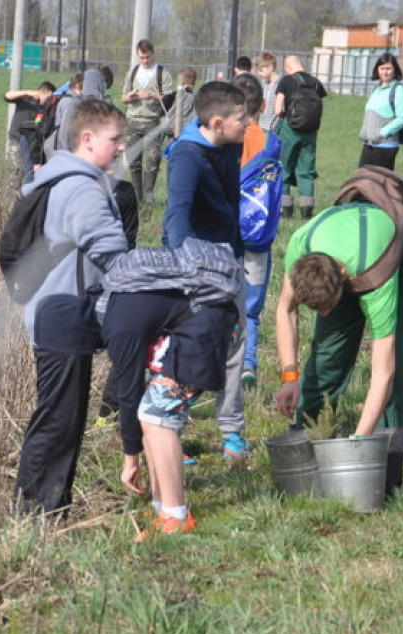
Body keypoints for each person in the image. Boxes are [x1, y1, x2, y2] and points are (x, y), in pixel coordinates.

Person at [104, 82, 250, 538]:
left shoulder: (117, 315)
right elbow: (177, 214)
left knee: (156, 414)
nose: (251, 125)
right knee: (155, 413)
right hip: (205, 295)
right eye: (245, 118)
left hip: (208, 304)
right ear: (218, 122)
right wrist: (187, 266)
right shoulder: (187, 155)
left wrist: (128, 455)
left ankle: (175, 514)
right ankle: (165, 507)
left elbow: (125, 389)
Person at [274, 166, 403, 496]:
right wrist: (290, 377)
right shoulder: (301, 247)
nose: (325, 314)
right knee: (327, 355)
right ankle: (306, 445)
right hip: (346, 252)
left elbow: (382, 372)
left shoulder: (377, 275)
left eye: (328, 305)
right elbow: (285, 310)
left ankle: (387, 465)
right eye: (318, 310)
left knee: (397, 363)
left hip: (397, 256)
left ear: (342, 277)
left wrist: (360, 440)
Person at [14, 99, 129, 516]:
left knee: (60, 417)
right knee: (58, 420)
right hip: (64, 314)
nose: (120, 148)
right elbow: (112, 252)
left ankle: (48, 507)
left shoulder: (65, 179)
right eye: (114, 140)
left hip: (57, 312)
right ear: (87, 138)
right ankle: (35, 512)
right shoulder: (81, 188)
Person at [217, 73, 283, 456]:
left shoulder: (225, 138)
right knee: (252, 308)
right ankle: (249, 366)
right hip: (257, 235)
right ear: (261, 105)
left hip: (226, 232)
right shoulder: (270, 141)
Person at [121, 39, 175, 205]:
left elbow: (169, 99)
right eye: (142, 58)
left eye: (148, 57)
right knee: (133, 163)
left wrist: (151, 95)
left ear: (153, 54)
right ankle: (137, 199)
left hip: (152, 121)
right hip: (132, 121)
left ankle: (148, 198)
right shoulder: (133, 73)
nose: (145, 61)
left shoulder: (162, 74)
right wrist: (131, 96)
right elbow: (123, 98)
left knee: (152, 162)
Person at [275, 54, 327, 220]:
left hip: (290, 130)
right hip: (310, 132)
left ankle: (286, 211)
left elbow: (277, 109)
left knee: (284, 168)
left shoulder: (286, 81)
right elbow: (321, 109)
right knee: (306, 172)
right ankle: (306, 213)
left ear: (287, 68)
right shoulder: (316, 83)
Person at [358, 52, 403, 171]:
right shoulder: (376, 89)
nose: (385, 72)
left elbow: (402, 118)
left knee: (379, 184)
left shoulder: (398, 89)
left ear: (395, 70)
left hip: (385, 146)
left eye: (388, 69)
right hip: (370, 144)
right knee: (362, 182)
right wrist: (364, 132)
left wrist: (381, 133)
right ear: (377, 69)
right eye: (382, 68)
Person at [4, 81, 56, 183]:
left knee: (32, 176)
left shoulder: (47, 108)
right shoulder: (26, 99)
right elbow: (7, 96)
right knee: (16, 173)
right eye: (48, 96)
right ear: (44, 92)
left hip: (35, 146)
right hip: (17, 141)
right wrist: (27, 93)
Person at [167, 68, 198, 140]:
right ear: (194, 83)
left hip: (178, 129)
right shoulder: (178, 95)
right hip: (181, 131)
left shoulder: (177, 94)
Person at [255, 52, 280, 131]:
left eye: (261, 70)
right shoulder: (262, 84)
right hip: (262, 127)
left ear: (270, 67)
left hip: (275, 129)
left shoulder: (282, 84)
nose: (259, 74)